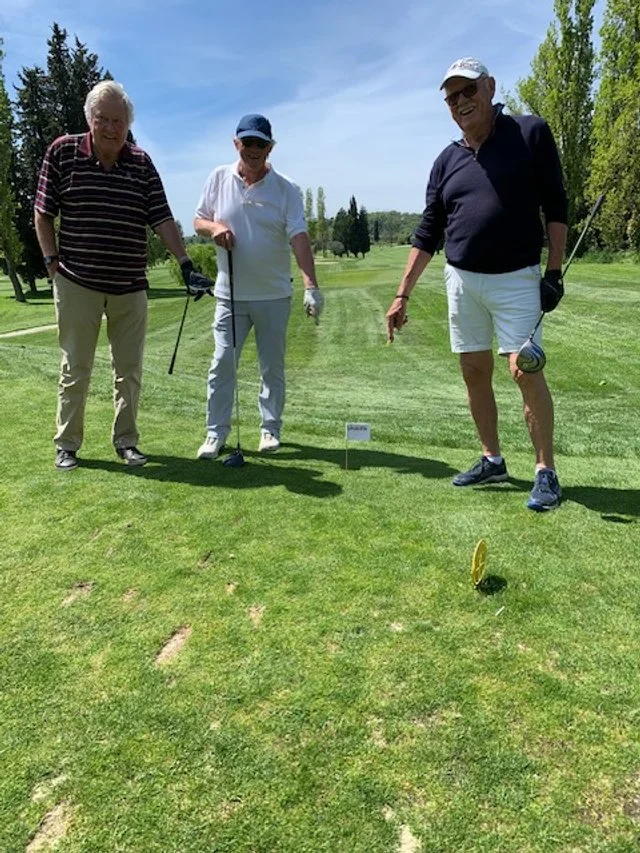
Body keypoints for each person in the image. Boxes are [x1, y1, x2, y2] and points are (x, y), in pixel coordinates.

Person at [386, 58, 568, 511]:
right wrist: (402, 293)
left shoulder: (529, 132)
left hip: (517, 278)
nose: (461, 102)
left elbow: (556, 204)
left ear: (489, 87)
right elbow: (428, 232)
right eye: (452, 97)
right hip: (462, 280)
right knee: (473, 370)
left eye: (469, 91)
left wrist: (553, 272)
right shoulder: (446, 160)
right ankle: (492, 459)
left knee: (524, 370)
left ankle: (545, 471)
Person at [35, 80, 211, 471]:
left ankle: (127, 441)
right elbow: (43, 211)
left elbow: (161, 217)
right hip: (76, 281)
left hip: (129, 285)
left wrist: (185, 263)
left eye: (119, 121)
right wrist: (51, 261)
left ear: (129, 124)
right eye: (104, 119)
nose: (112, 128)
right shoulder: (63, 151)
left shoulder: (141, 163)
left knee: (128, 370)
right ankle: (67, 444)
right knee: (75, 367)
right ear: (90, 119)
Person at [193, 113, 323, 459]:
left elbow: (299, 237)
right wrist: (214, 228)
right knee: (222, 363)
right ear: (236, 143)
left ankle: (270, 429)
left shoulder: (286, 189)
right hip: (230, 294)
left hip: (274, 295)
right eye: (247, 142)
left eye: (260, 144)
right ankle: (215, 433)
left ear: (270, 148)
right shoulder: (218, 177)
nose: (253, 150)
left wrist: (311, 286)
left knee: (271, 367)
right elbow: (198, 220)